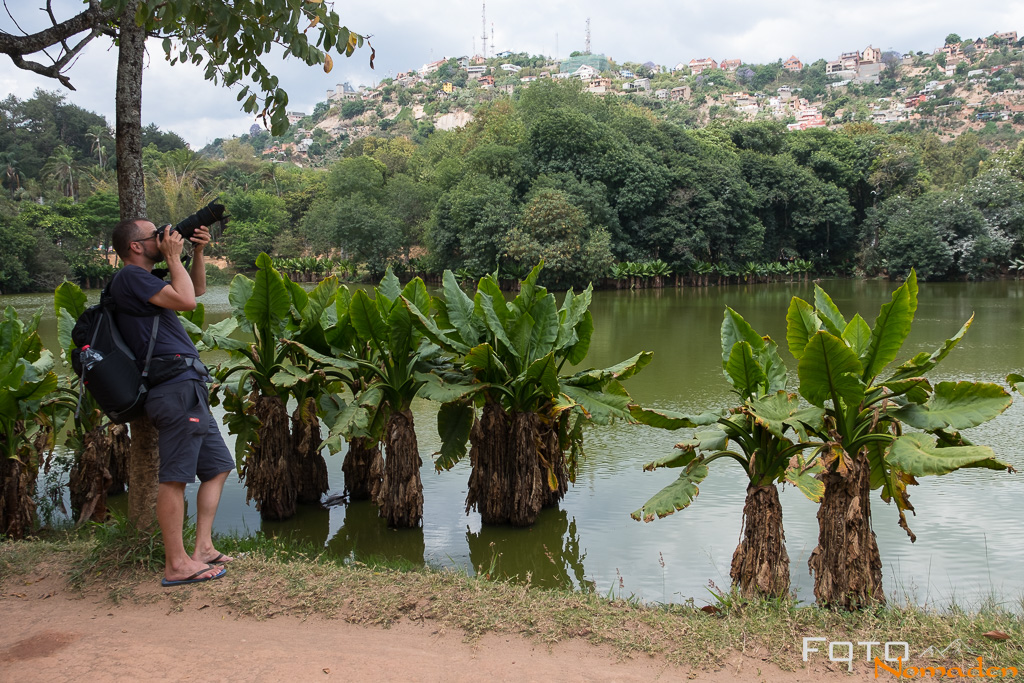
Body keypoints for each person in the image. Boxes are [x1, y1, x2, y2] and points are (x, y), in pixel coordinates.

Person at [110, 217, 233, 587]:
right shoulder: (130, 277)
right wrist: (175, 255)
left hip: (187, 385)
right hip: (173, 387)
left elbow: (193, 290)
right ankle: (176, 563)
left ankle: (203, 548)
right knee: (176, 477)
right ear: (135, 246)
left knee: (217, 465)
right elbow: (186, 303)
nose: (163, 239)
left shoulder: (145, 281)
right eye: (155, 235)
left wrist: (195, 252)